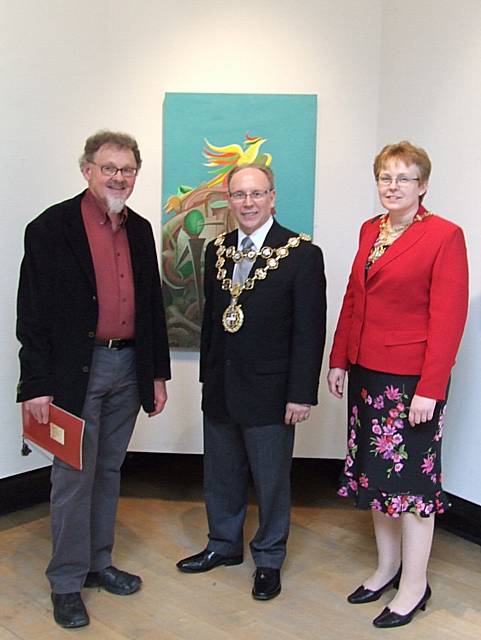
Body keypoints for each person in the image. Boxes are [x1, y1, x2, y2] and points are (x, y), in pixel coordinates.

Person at [16, 130, 171, 628]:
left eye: (127, 170)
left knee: (108, 470)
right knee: (71, 477)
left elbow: (152, 308)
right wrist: (35, 385)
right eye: (109, 168)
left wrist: (157, 375)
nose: (119, 178)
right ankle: (65, 581)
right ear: (87, 170)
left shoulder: (142, 229)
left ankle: (98, 564)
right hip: (73, 373)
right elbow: (32, 314)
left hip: (129, 368)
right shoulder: (49, 229)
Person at [327, 141, 468, 628]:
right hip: (367, 374)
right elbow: (353, 297)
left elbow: (448, 319)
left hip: (411, 386)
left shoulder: (445, 236)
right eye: (386, 177)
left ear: (422, 185)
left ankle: (414, 584)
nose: (393, 186)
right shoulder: (371, 230)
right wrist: (339, 357)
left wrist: (431, 388)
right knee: (375, 479)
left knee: (411, 489)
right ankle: (386, 568)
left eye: (404, 178)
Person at [176, 164, 326, 600]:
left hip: (273, 390)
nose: (248, 203)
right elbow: (211, 323)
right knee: (220, 474)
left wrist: (301, 393)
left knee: (271, 479)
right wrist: (207, 376)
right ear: (230, 199)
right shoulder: (217, 249)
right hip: (222, 385)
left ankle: (269, 557)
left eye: (257, 194)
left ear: (273, 197)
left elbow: (309, 331)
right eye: (240, 195)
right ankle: (223, 544)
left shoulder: (301, 253)